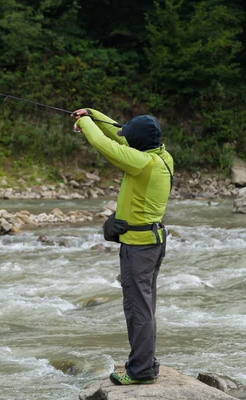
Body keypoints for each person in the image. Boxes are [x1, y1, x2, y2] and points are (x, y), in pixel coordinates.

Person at [72, 108, 174, 385]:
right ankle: (147, 363)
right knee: (145, 307)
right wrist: (91, 113)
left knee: (137, 309)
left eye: (131, 138)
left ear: (138, 144)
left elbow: (106, 145)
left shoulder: (142, 163)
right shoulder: (161, 156)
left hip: (139, 248)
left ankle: (141, 371)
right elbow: (117, 132)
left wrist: (84, 123)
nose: (125, 139)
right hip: (152, 242)